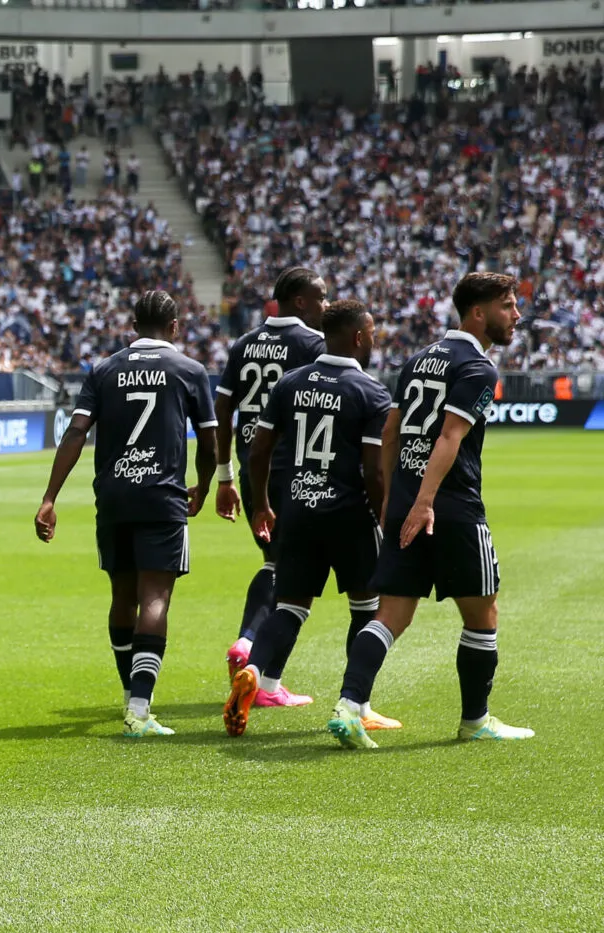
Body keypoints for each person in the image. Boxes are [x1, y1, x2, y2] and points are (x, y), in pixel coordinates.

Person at [328, 273, 534, 749]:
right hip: (452, 508)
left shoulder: (418, 358)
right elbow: (449, 437)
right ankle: (475, 721)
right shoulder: (479, 368)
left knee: (390, 615)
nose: (516, 315)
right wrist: (424, 503)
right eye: (507, 306)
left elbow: (390, 433)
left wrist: (392, 502)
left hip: (404, 505)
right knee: (483, 614)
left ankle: (348, 705)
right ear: (478, 313)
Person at [34, 290, 217, 738]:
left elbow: (77, 432)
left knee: (122, 596)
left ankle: (131, 693)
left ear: (133, 325)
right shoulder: (190, 371)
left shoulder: (103, 370)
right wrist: (206, 485)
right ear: (174, 327)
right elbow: (210, 444)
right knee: (155, 597)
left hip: (113, 498)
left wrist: (49, 497)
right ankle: (139, 707)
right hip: (162, 497)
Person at [223, 300, 398, 736]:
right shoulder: (371, 392)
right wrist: (385, 520)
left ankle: (256, 671)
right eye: (372, 332)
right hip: (349, 516)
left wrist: (263, 503)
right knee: (366, 607)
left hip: (297, 511)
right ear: (357, 336)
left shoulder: (290, 383)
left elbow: (259, 451)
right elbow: (375, 470)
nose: (375, 339)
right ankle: (356, 704)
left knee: (289, 607)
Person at [214, 267, 327, 690]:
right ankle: (255, 659)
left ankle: (252, 653)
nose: (326, 305)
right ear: (300, 300)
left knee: (273, 562)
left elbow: (222, 411)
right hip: (296, 473)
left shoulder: (244, 344)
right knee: (293, 574)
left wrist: (225, 475)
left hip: (251, 469)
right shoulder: (312, 345)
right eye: (321, 298)